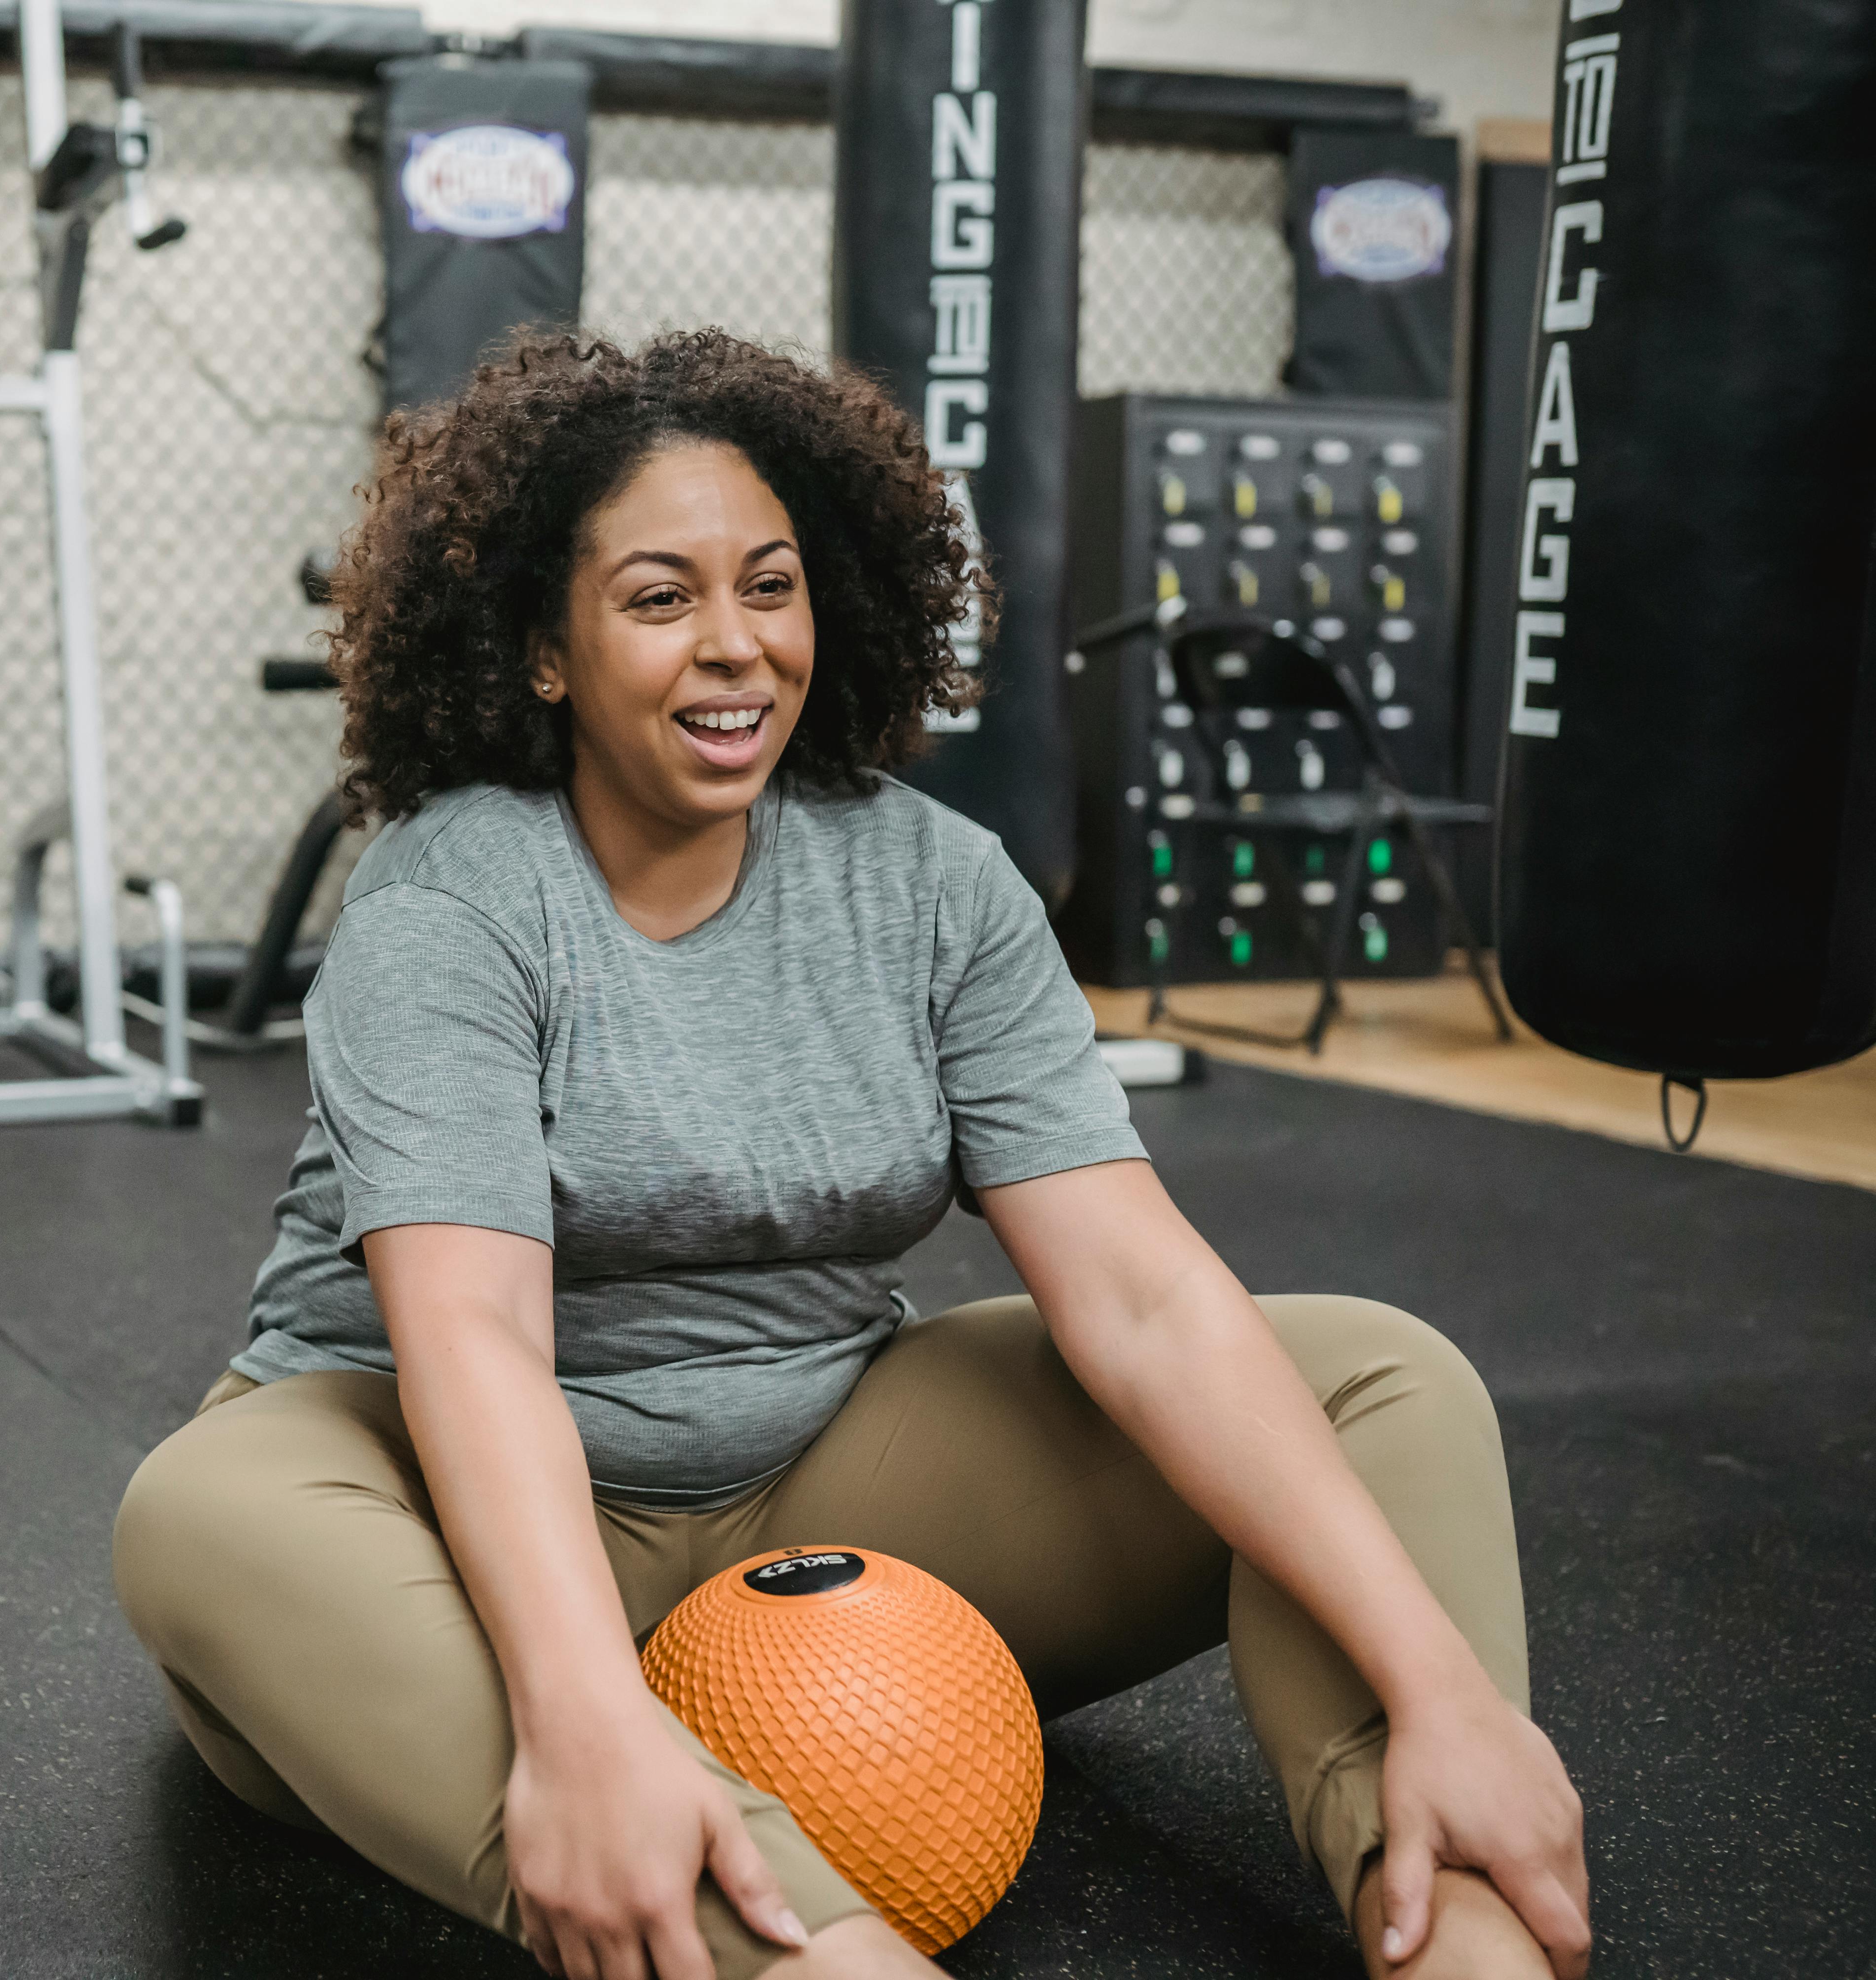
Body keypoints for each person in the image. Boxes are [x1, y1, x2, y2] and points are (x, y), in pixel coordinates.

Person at [113, 330, 1588, 1980]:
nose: (735, 647)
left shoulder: (937, 887)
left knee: (1382, 1382)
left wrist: (1445, 1684)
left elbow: (1149, 1300)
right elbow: (474, 1343)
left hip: (823, 1485)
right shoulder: (453, 897)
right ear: (545, 646)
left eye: (772, 586)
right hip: (438, 1503)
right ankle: (790, 1939)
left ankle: (1455, 1906)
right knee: (197, 1511)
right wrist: (587, 1712)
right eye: (661, 599)